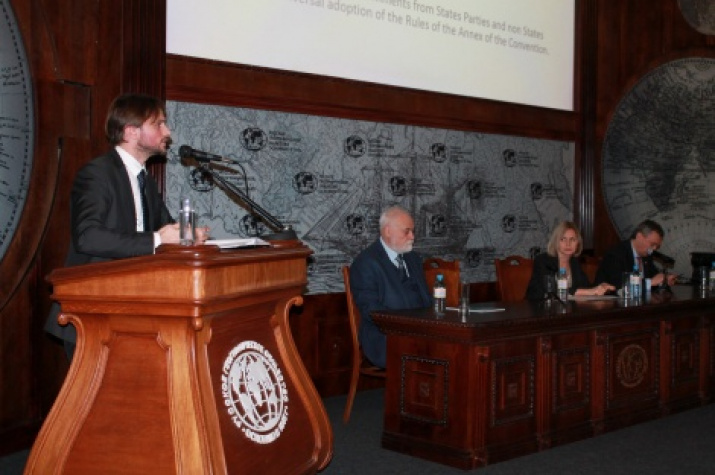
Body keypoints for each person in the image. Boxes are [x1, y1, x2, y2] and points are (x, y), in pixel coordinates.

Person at [44, 93, 209, 359]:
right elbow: (88, 237)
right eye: (159, 124)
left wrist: (190, 236)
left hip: (132, 313)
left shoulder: (145, 181)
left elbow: (167, 231)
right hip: (93, 314)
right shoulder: (97, 174)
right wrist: (157, 239)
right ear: (131, 132)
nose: (168, 132)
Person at [349, 206, 432, 368]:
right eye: (406, 231)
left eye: (412, 231)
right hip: (385, 337)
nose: (412, 237)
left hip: (420, 332)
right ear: (388, 231)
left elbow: (426, 299)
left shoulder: (413, 259)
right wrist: (407, 330)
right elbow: (371, 311)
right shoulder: (366, 263)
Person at [526, 221, 614, 300]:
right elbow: (553, 291)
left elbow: (586, 287)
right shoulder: (543, 261)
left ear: (578, 243)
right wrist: (592, 291)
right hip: (539, 310)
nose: (568, 244)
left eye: (572, 239)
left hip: (567, 310)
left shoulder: (574, 262)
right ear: (556, 242)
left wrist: (601, 287)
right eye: (563, 239)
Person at [594, 219, 677, 289]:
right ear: (639, 236)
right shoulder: (615, 254)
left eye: (657, 246)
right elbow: (618, 285)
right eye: (652, 244)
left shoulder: (647, 256)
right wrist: (650, 283)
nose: (654, 249)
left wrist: (664, 280)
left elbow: (654, 277)